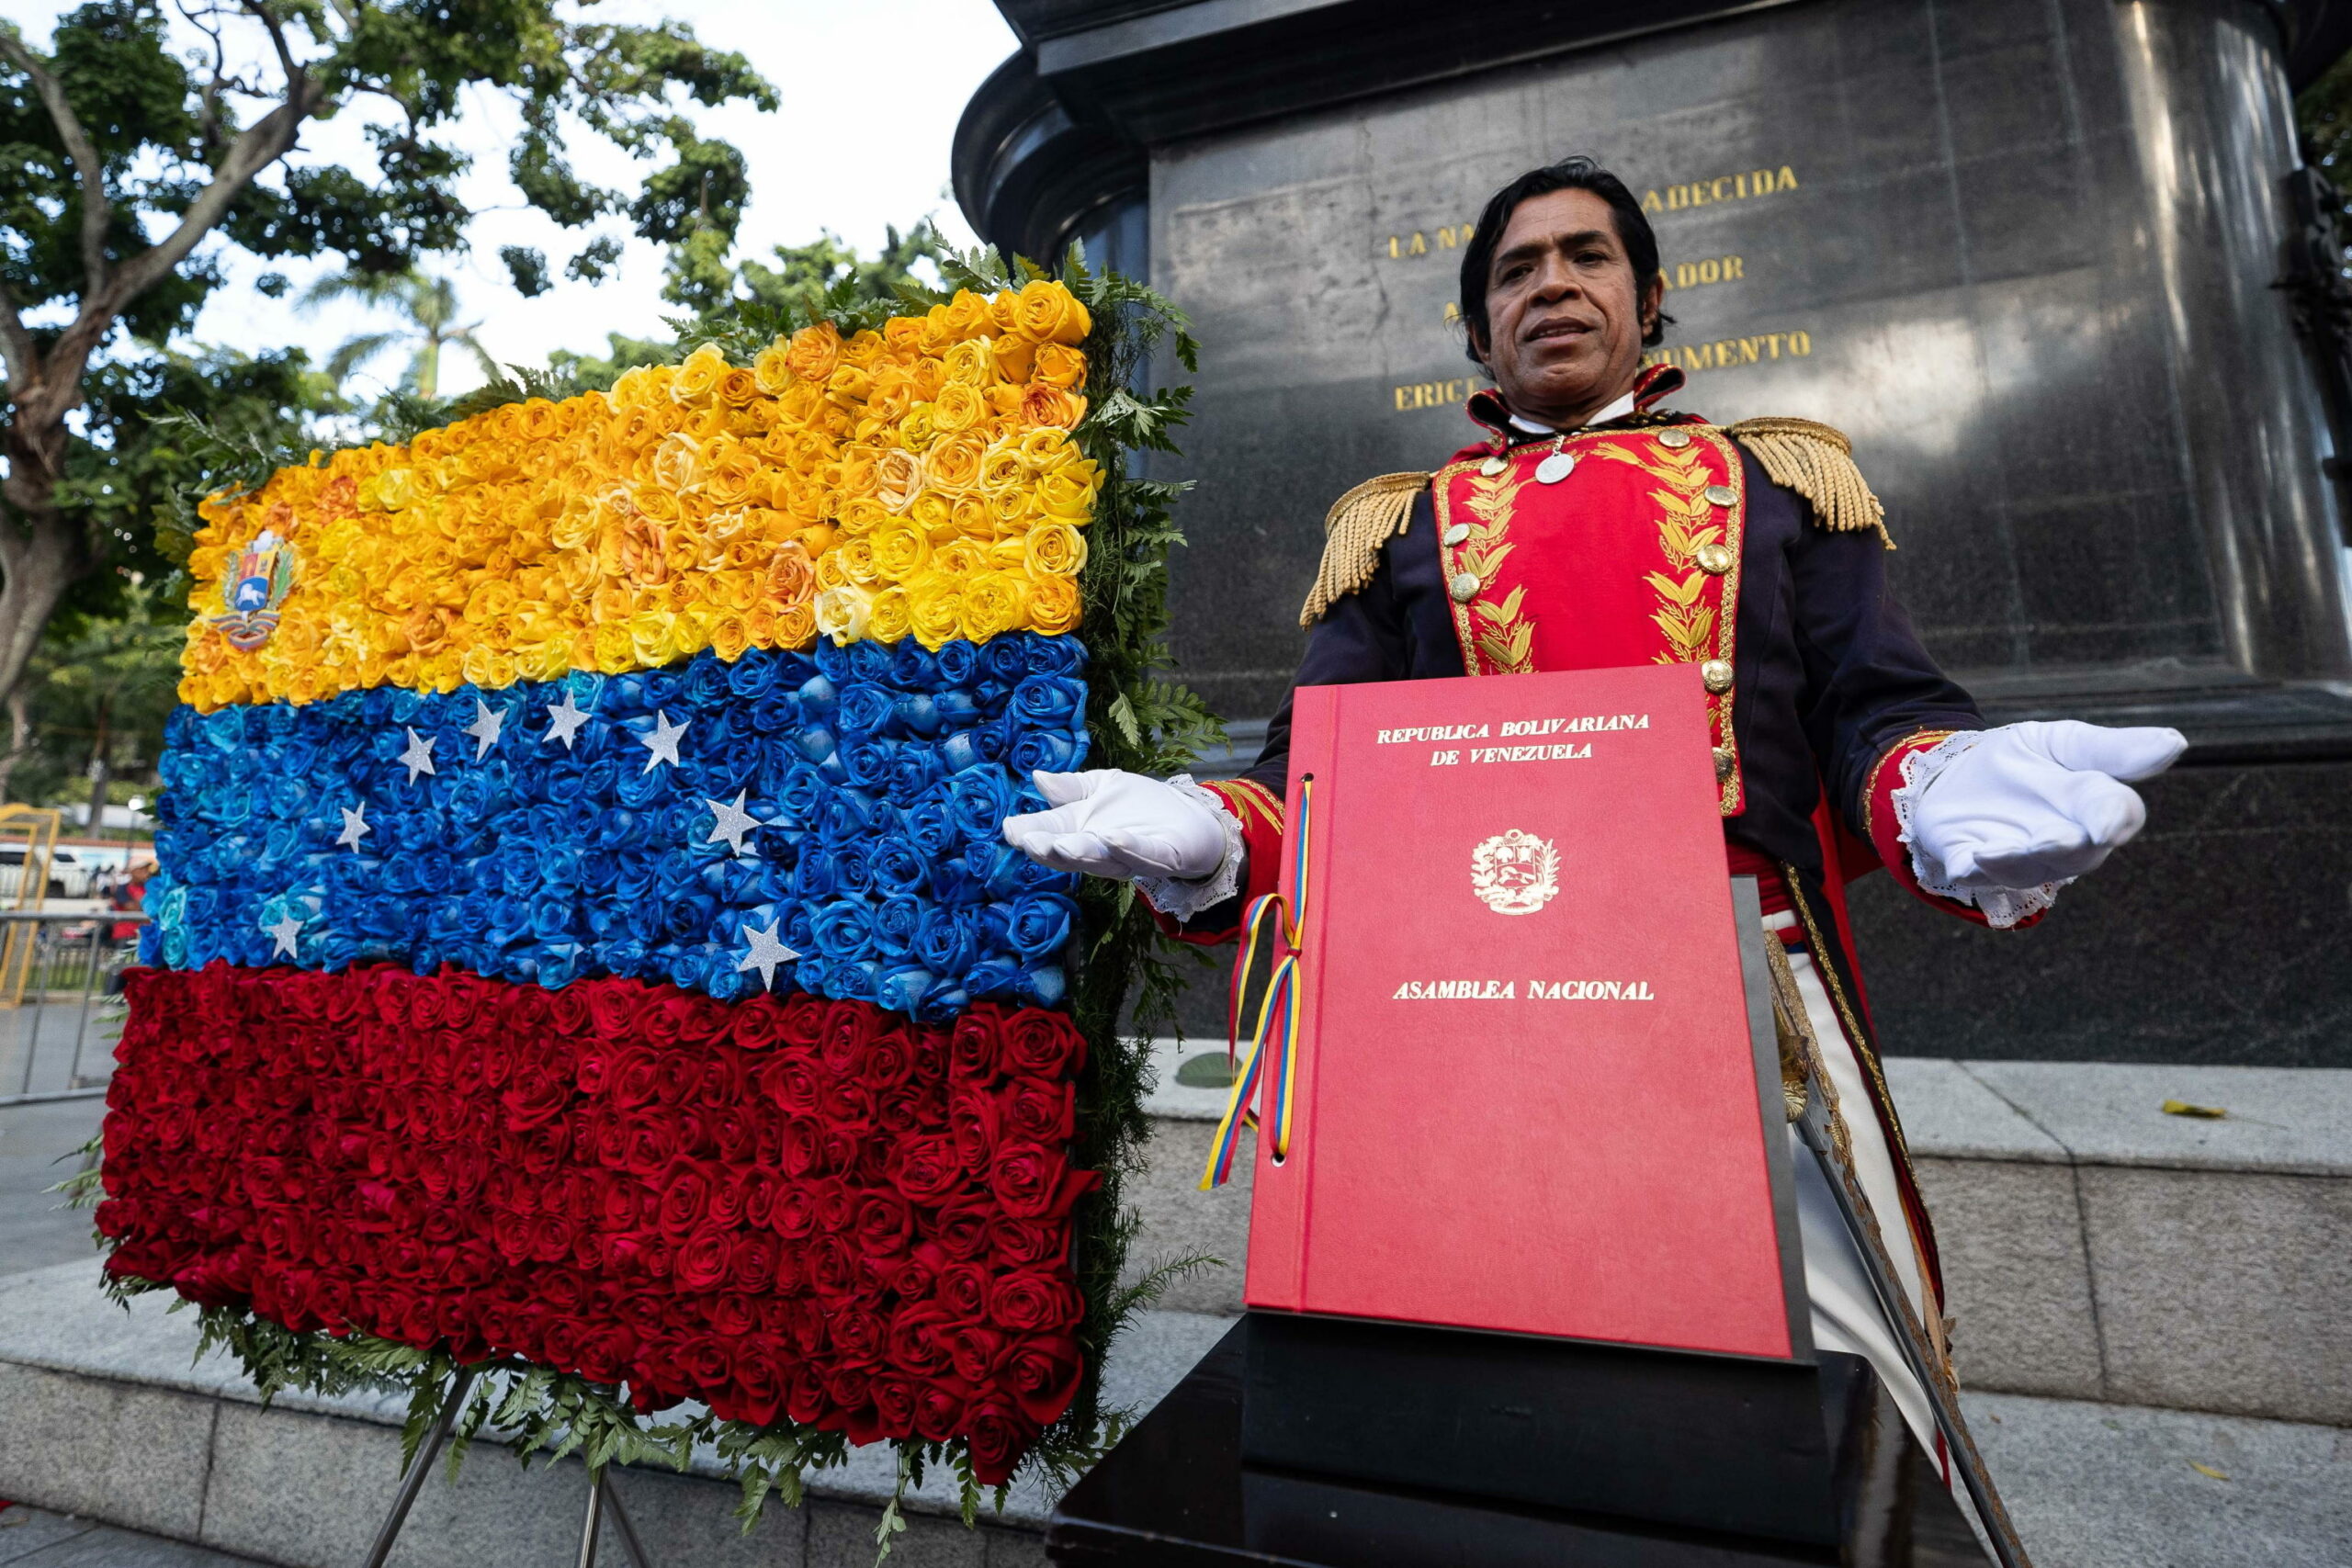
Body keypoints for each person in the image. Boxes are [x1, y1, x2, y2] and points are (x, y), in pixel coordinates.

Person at [1001, 156, 2182, 1501]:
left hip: (1745, 1006)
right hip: (1458, 1009)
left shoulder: (1784, 479)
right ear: (1476, 330)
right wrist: (1211, 834)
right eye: (1515, 269)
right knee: (1471, 1417)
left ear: (1651, 298)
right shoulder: (1396, 525)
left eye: (1586, 256)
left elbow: (1875, 712)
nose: (1552, 283)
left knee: (1832, 1407)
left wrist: (1938, 782)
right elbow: (1314, 780)